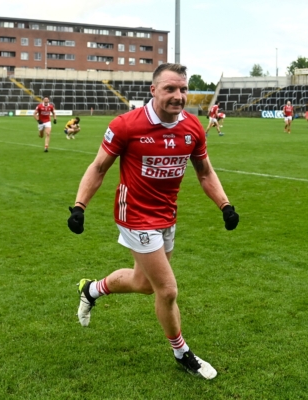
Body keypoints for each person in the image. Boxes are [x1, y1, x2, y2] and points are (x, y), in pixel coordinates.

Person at [67, 63, 239, 380]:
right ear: (154, 90)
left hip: (166, 214)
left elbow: (205, 173)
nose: (178, 96)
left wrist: (225, 205)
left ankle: (91, 289)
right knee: (168, 290)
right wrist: (79, 206)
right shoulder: (126, 125)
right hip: (134, 214)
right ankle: (182, 353)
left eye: (183, 89)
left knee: (145, 284)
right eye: (170, 89)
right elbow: (99, 168)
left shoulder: (193, 127)